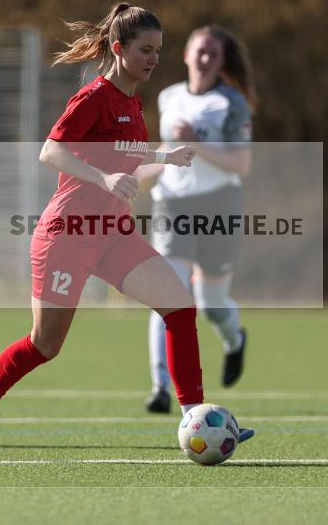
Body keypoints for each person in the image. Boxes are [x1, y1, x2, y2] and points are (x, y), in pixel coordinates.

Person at [0, 3, 254, 461]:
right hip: (68, 233)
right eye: (145, 50)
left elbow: (123, 155)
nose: (153, 59)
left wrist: (164, 158)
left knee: (179, 307)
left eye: (158, 50)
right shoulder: (94, 97)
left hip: (112, 232)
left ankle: (195, 418)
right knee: (45, 345)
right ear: (118, 48)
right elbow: (51, 152)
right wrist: (105, 179)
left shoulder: (133, 101)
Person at [138, 25, 256, 413]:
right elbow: (169, 151)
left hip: (219, 203)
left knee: (211, 303)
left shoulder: (231, 103)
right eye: (199, 51)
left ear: (222, 61)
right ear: (186, 55)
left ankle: (234, 339)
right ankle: (161, 387)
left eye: (213, 54)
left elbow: (241, 164)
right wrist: (135, 176)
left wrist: (198, 145)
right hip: (173, 203)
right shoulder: (169, 97)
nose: (205, 59)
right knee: (168, 291)